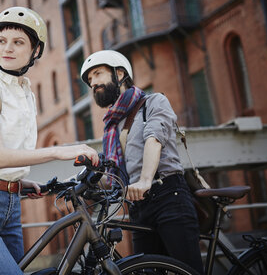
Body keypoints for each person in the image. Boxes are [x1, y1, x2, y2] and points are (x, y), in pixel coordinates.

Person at [0, 6, 99, 275]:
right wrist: (60, 152)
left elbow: (4, 157)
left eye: (18, 42)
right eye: (2, 41)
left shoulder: (26, 94)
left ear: (35, 51)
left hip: (10, 204)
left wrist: (18, 180)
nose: (7, 48)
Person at [80, 50, 204, 274]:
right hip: (138, 205)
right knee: (143, 271)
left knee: (187, 270)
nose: (93, 83)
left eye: (97, 74)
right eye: (90, 80)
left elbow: (154, 139)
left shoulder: (153, 102)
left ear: (120, 74)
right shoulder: (112, 124)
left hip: (168, 196)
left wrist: (146, 180)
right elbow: (113, 173)